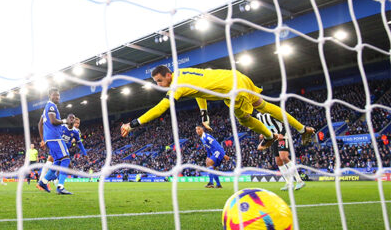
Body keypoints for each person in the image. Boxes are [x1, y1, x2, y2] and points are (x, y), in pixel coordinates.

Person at [121, 66, 315, 148]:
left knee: (244, 119)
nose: (159, 84)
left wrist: (133, 124)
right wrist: (205, 114)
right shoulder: (183, 73)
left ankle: (271, 136)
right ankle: (302, 129)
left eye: (160, 80)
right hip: (238, 77)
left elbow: (160, 109)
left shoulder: (176, 87)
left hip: (233, 90)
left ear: (168, 75)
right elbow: (198, 91)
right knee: (263, 106)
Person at [255, 111, 305, 191]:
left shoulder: (271, 112)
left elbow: (285, 122)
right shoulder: (258, 116)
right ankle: (289, 183)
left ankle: (299, 180)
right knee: (278, 161)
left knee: (284, 157)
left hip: (282, 137)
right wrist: (262, 133)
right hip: (273, 139)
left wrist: (282, 133)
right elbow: (264, 127)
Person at [37, 88, 73, 195]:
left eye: (58, 95)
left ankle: (43, 182)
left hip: (49, 138)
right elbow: (53, 121)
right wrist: (65, 121)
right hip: (55, 137)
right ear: (49, 95)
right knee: (66, 158)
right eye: (55, 95)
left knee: (57, 161)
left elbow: (40, 124)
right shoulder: (51, 106)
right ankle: (60, 186)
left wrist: (43, 139)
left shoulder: (45, 108)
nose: (57, 97)